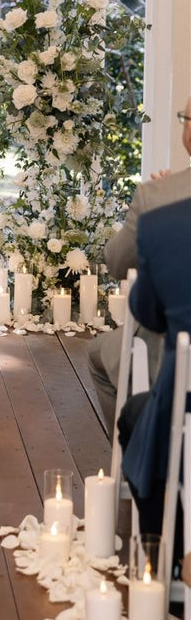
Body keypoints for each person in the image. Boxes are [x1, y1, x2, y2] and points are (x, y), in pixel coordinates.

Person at [87, 98, 191, 434]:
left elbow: (117, 262)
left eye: (185, 118)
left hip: (176, 357)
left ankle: (139, 463)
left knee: (99, 353)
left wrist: (162, 206)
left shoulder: (158, 197)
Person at [119, 197, 191, 547]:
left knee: (136, 414)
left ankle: (169, 557)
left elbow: (146, 313)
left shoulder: (164, 225)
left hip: (183, 429)